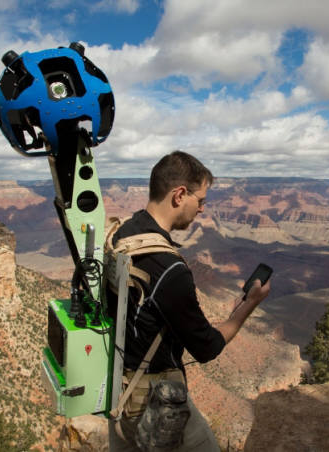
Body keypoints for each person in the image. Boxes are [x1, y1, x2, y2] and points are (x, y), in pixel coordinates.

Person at [107, 150, 271, 451]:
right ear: (180, 194)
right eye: (201, 200)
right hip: (153, 404)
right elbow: (206, 346)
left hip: (118, 395)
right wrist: (249, 305)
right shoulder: (169, 269)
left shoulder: (122, 234)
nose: (203, 210)